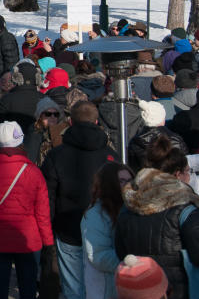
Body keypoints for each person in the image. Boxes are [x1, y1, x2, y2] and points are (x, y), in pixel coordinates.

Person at [42, 101, 119, 299]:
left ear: (70, 122)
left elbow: (48, 195)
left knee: (73, 289)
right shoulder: (110, 155)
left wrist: (48, 227)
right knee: (100, 289)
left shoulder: (56, 154)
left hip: (69, 229)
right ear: (96, 121)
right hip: (101, 229)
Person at [0, 121, 54, 299]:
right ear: (21, 141)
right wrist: (48, 244)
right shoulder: (34, 173)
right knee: (28, 289)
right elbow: (43, 214)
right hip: (28, 240)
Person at [115, 135, 199, 299]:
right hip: (178, 291)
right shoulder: (186, 210)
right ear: (177, 175)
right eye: (188, 172)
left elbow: (120, 252)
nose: (189, 178)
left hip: (139, 290)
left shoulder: (129, 205)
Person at [81, 162, 135, 299]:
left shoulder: (129, 209)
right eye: (122, 181)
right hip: (104, 288)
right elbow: (98, 255)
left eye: (129, 180)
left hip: (125, 285)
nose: (127, 185)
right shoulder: (95, 214)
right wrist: (131, 261)